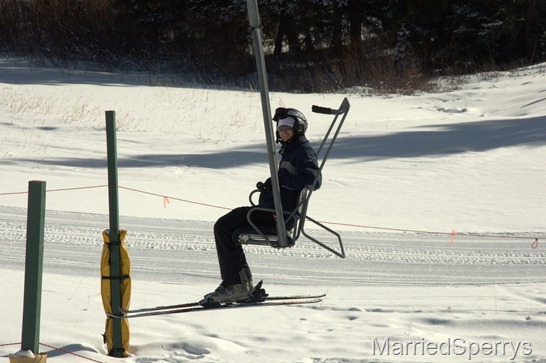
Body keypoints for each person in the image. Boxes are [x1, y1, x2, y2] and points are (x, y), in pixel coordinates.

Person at [202, 107, 322, 303]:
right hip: (272, 211)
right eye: (280, 129)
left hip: (279, 216)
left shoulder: (303, 152)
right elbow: (287, 179)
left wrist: (283, 183)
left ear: (298, 129)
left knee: (224, 226)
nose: (283, 133)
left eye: (288, 129)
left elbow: (314, 180)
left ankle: (236, 285)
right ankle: (240, 284)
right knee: (228, 227)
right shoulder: (290, 150)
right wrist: (271, 184)